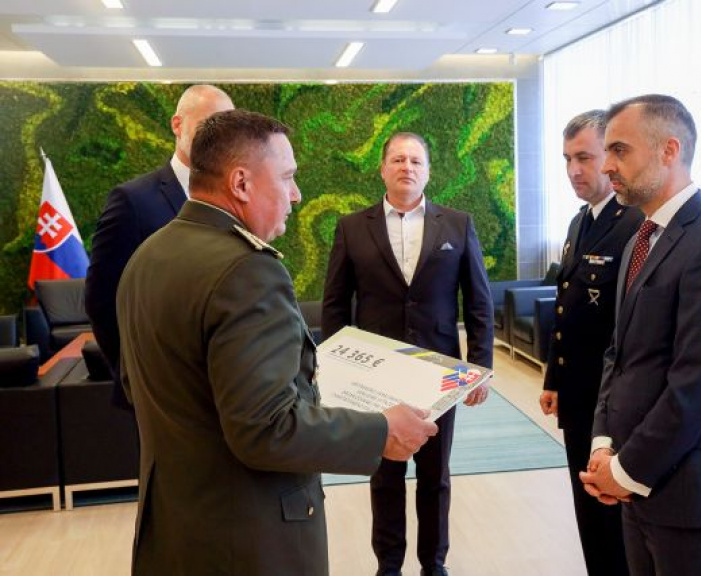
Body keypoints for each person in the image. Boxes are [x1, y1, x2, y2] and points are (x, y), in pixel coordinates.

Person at [116, 110, 438, 576]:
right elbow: (265, 428)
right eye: (287, 177)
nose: (296, 194)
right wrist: (381, 431)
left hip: (173, 533)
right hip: (248, 542)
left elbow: (138, 386)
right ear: (241, 183)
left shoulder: (148, 254)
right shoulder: (247, 271)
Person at [579, 94, 701, 576]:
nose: (607, 165)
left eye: (619, 150)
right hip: (638, 483)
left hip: (691, 495)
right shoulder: (642, 238)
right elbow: (619, 355)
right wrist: (603, 444)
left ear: (669, 150)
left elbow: (697, 387)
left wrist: (625, 471)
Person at [321, 132, 494, 576]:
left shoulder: (457, 224)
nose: (407, 167)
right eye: (398, 159)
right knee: (385, 475)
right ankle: (389, 566)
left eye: (416, 160)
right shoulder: (352, 227)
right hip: (378, 375)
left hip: (439, 372)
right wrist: (333, 370)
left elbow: (478, 302)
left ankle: (434, 564)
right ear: (382, 169)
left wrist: (480, 367)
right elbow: (336, 305)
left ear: (428, 171)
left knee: (435, 476)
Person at [85, 84, 234, 410]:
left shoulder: (235, 199)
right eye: (206, 126)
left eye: (225, 130)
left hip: (222, 390)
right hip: (157, 397)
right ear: (177, 125)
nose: (217, 139)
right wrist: (134, 377)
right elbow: (101, 299)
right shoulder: (133, 201)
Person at [539, 110, 642, 576]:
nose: (574, 170)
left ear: (611, 155)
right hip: (578, 396)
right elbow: (568, 307)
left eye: (584, 157)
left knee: (616, 521)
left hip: (615, 404)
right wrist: (553, 378)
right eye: (567, 159)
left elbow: (627, 328)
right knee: (589, 514)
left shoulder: (635, 223)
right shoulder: (580, 222)